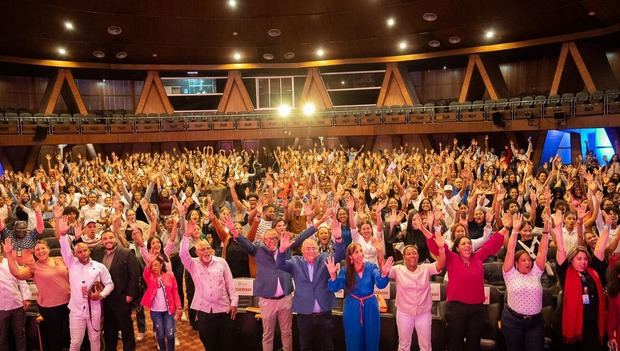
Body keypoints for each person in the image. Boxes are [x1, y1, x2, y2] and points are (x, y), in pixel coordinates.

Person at [236, 211, 327, 351]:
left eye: (274, 238)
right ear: (263, 240)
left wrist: (319, 223)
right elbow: (244, 243)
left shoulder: (286, 248)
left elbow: (303, 235)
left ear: (278, 238)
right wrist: (233, 230)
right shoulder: (258, 250)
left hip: (285, 299)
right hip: (267, 301)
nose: (272, 241)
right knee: (268, 334)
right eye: (268, 239)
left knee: (287, 332)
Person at [425, 211, 505, 351]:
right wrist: (436, 224)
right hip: (456, 309)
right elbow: (437, 246)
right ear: (457, 248)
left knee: (473, 344)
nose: (467, 245)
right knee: (455, 343)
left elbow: (492, 244)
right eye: (463, 244)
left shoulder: (478, 257)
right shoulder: (451, 258)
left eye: (469, 243)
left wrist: (508, 228)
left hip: (477, 310)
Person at [275, 219, 346, 351]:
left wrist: (338, 238)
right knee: (306, 346)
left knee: (327, 345)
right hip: (304, 314)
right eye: (308, 248)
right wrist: (282, 250)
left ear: (318, 250)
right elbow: (279, 265)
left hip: (324, 313)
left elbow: (340, 254)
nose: (311, 251)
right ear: (301, 250)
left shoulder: (325, 258)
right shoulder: (295, 262)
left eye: (314, 248)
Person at [57, 216, 114, 351]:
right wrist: (63, 234)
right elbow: (65, 249)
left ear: (89, 250)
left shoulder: (99, 267)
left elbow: (110, 284)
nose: (83, 253)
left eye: (85, 250)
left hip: (94, 309)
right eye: (79, 252)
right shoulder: (71, 264)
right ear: (75, 254)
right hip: (76, 310)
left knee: (95, 339)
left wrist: (101, 295)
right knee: (75, 343)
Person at [554, 209, 608, 351]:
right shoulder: (566, 272)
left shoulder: (593, 271)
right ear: (571, 260)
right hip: (570, 322)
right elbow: (560, 250)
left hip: (591, 323)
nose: (583, 261)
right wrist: (558, 228)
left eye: (585, 259)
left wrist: (606, 226)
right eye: (579, 259)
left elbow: (600, 249)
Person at [4, 237, 71, 351]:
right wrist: (9, 254)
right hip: (50, 307)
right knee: (54, 337)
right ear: (34, 253)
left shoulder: (60, 259)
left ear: (49, 249)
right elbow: (17, 274)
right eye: (37, 249)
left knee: (72, 334)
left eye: (43, 248)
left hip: (70, 303)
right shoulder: (33, 267)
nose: (41, 251)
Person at [180, 220, 238, 350]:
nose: (206, 251)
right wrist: (186, 236)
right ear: (197, 252)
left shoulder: (221, 262)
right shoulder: (193, 265)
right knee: (208, 341)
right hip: (204, 310)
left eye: (208, 248)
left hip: (223, 308)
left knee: (226, 341)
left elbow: (230, 283)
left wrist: (234, 301)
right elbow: (182, 255)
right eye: (202, 249)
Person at [326, 243, 394, 351]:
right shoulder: (345, 270)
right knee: (353, 338)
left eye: (361, 251)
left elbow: (381, 284)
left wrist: (384, 274)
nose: (360, 254)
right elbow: (335, 287)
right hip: (352, 307)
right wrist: (333, 275)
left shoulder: (371, 267)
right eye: (356, 252)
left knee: (372, 337)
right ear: (350, 256)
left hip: (370, 306)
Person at [501, 213, 551, 351]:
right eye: (523, 260)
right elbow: (510, 251)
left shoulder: (536, 272)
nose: (528, 262)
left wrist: (546, 230)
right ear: (516, 263)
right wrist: (515, 231)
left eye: (529, 260)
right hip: (513, 321)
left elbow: (542, 252)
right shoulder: (510, 273)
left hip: (535, 322)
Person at [389, 232, 446, 351]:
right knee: (404, 345)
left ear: (418, 256)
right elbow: (383, 272)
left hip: (423, 313)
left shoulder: (426, 268)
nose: (412, 255)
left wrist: (441, 248)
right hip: (404, 313)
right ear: (404, 258)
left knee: (425, 346)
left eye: (414, 253)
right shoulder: (397, 270)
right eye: (408, 254)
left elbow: (441, 265)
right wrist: (380, 253)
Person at [90, 230, 140, 351]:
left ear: (115, 238)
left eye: (110, 237)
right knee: (108, 328)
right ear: (102, 241)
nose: (108, 240)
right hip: (104, 298)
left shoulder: (127, 253)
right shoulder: (96, 252)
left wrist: (130, 295)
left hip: (121, 297)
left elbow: (134, 276)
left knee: (126, 327)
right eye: (105, 238)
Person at [141, 255, 182, 351]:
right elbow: (146, 272)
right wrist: (149, 263)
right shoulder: (149, 277)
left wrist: (179, 307)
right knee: (160, 334)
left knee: (170, 334)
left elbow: (175, 292)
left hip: (169, 311)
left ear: (161, 265)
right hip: (155, 312)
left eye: (156, 265)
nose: (154, 267)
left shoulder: (170, 275)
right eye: (152, 266)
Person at [0, 239, 32, 351]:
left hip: (17, 304)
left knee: (20, 334)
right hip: (1, 308)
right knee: (1, 338)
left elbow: (21, 280)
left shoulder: (8, 261)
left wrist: (26, 298)